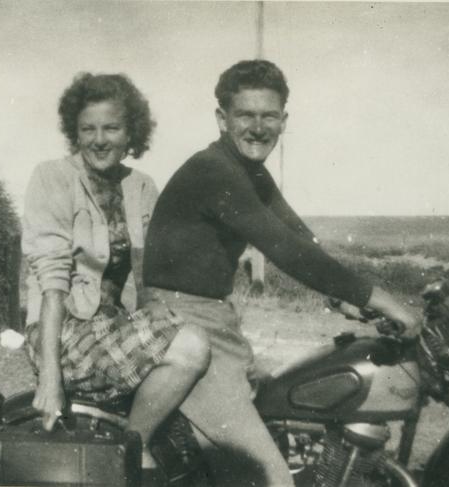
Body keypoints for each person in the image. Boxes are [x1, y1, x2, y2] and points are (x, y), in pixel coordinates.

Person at [142, 59, 420, 486]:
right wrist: (382, 299)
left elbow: (297, 235)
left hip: (215, 321)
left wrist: (342, 295)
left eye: (268, 115)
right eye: (245, 115)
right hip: (183, 323)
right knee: (270, 478)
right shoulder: (214, 170)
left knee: (283, 412)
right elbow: (288, 251)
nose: (257, 127)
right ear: (222, 119)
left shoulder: (249, 172)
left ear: (284, 121)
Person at [22, 72, 210, 470]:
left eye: (112, 128)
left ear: (131, 134)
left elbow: (151, 274)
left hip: (115, 326)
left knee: (202, 343)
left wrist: (160, 307)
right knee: (191, 348)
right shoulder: (52, 177)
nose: (99, 139)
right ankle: (131, 447)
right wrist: (49, 378)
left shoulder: (142, 186)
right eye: (87, 129)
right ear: (75, 132)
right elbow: (52, 285)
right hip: (63, 331)